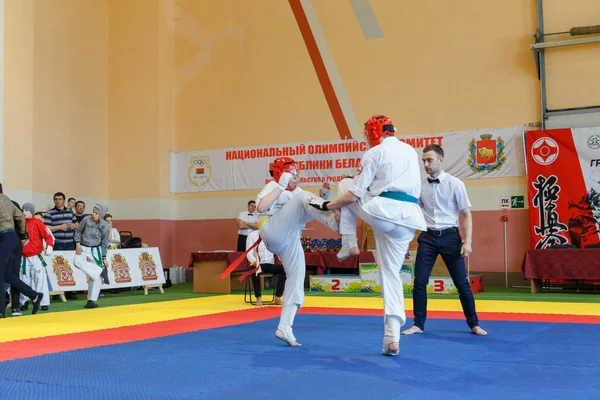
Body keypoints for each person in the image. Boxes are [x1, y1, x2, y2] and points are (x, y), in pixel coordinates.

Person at [310, 115, 426, 356]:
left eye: (365, 135)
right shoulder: (410, 151)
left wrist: (328, 206)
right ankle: (392, 337)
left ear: (374, 133)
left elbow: (354, 194)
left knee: (344, 184)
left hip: (384, 211)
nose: (365, 139)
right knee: (391, 273)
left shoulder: (373, 154)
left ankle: (349, 243)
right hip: (408, 219)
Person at [401, 144, 487, 336]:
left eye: (429, 160)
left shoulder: (455, 184)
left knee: (461, 283)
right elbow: (414, 213)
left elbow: (466, 214)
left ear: (440, 160)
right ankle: (418, 324)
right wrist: (405, 242)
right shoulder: (420, 185)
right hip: (427, 238)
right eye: (423, 160)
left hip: (450, 237)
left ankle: (474, 324)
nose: (426, 164)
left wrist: (468, 242)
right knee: (419, 282)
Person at [256, 157, 339, 347]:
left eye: (297, 173)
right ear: (281, 174)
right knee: (303, 198)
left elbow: (309, 210)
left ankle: (285, 326)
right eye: (292, 174)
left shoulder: (301, 193)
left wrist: (324, 196)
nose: (296, 177)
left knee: (297, 276)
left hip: (290, 238)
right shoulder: (273, 186)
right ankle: (336, 221)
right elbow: (260, 207)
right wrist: (280, 186)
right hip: (271, 229)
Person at [0, 193, 43, 317]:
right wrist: (24, 235)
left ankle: (1, 311)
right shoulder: (8, 200)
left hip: (4, 236)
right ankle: (34, 295)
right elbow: (20, 216)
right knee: (8, 273)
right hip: (13, 237)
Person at [74, 204, 110, 309]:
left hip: (96, 250)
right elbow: (78, 231)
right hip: (83, 246)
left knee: (95, 277)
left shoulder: (104, 226)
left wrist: (104, 257)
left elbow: (105, 242)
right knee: (76, 261)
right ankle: (101, 271)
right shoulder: (86, 219)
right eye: (93, 211)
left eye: (96, 213)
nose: (93, 214)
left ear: (101, 214)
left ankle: (91, 300)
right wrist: (77, 243)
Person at [20, 203, 54, 311]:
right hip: (23, 257)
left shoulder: (38, 223)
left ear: (31, 211)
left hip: (36, 256)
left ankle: (43, 302)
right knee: (24, 280)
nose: (23, 212)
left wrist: (50, 246)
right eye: (22, 210)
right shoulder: (20, 223)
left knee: (40, 279)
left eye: (26, 210)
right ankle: (24, 302)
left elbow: (47, 236)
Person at [245, 229, 286, 306]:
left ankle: (278, 297)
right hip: (257, 263)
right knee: (255, 271)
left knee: (284, 270)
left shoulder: (273, 235)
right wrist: (254, 262)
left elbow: (278, 251)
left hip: (270, 264)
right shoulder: (252, 235)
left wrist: (284, 261)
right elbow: (248, 253)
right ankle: (258, 298)